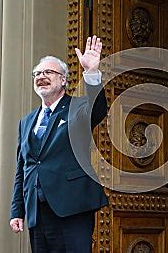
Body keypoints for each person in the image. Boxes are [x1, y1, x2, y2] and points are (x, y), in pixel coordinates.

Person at [10, 35, 108, 252]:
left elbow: (98, 108)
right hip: (37, 213)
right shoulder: (26, 122)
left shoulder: (78, 108)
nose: (41, 77)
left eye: (49, 72)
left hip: (71, 208)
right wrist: (17, 211)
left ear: (63, 80)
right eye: (37, 73)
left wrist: (92, 72)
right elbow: (22, 168)